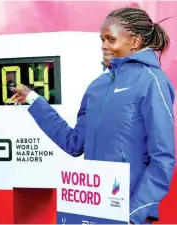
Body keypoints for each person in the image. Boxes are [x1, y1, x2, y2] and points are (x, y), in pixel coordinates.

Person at [10, 7, 176, 224]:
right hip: (94, 211)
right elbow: (74, 143)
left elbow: (162, 158)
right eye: (102, 40)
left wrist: (134, 214)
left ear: (134, 42)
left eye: (111, 39)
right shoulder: (97, 86)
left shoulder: (152, 81)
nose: (104, 46)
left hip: (129, 215)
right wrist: (34, 100)